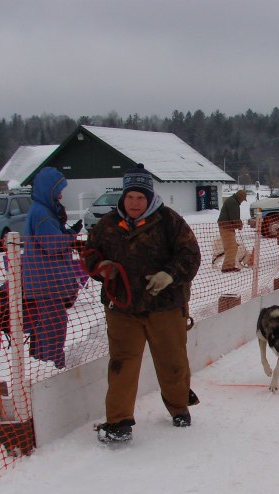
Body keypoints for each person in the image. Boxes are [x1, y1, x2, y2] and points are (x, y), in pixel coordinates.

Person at [84, 164, 202, 443]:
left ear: (149, 198)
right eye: (130, 197)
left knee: (172, 361)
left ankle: (179, 409)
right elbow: (89, 254)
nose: (135, 203)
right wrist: (101, 267)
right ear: (123, 198)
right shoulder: (107, 225)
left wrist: (169, 274)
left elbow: (190, 254)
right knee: (122, 364)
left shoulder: (170, 221)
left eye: (140, 197)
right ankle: (119, 422)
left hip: (166, 306)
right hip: (122, 308)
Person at [22, 167, 86, 369]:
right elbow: (52, 244)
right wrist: (71, 236)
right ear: (48, 189)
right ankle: (51, 366)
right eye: (58, 189)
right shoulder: (42, 213)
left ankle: (46, 361)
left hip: (47, 280)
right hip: (46, 281)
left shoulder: (43, 210)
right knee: (54, 326)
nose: (61, 194)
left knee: (51, 323)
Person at [217, 189, 247, 272]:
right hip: (226, 227)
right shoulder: (233, 203)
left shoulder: (233, 201)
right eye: (242, 199)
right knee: (231, 247)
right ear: (240, 197)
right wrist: (239, 225)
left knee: (232, 247)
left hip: (228, 227)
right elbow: (234, 217)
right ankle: (227, 267)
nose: (242, 202)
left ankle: (229, 265)